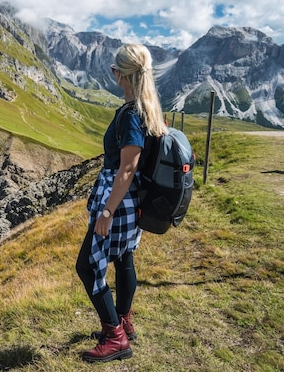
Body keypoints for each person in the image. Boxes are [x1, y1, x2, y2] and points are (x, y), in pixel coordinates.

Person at [76, 43, 168, 363]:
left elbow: (127, 168)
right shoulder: (148, 108)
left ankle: (115, 337)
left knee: (87, 266)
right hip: (133, 202)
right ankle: (123, 322)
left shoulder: (131, 114)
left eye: (114, 70)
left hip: (120, 202)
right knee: (124, 257)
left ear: (121, 76)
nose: (112, 75)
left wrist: (106, 211)